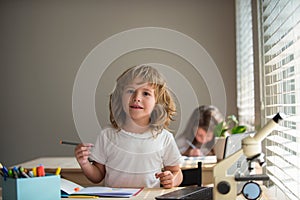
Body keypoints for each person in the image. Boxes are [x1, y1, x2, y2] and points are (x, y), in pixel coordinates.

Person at [75, 65, 183, 189]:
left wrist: (172, 180)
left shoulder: (164, 137)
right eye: (130, 91)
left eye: (146, 93)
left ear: (157, 103)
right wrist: (84, 164)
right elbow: (98, 176)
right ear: (120, 97)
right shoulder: (107, 135)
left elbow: (177, 172)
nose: (136, 98)